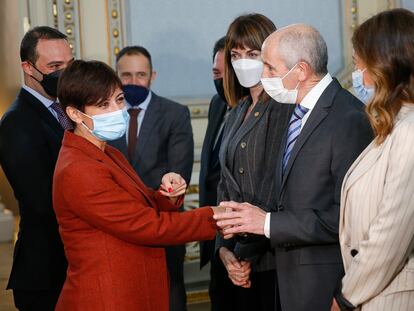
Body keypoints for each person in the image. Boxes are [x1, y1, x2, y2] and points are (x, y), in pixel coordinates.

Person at [214, 24, 373, 310]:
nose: (263, 77)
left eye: (270, 68)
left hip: (326, 283)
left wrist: (266, 223)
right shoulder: (298, 111)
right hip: (289, 281)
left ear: (300, 71)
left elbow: (350, 217)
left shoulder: (348, 118)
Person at [53, 59, 222, 311]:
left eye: (119, 100)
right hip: (107, 296)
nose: (117, 110)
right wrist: (216, 217)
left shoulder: (106, 151)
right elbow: (146, 226)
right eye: (103, 105)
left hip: (130, 287)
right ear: (75, 114)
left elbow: (136, 206)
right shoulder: (79, 168)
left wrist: (166, 195)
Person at [331, 9, 414, 311]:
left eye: (359, 65)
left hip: (391, 296)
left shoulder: (409, 132)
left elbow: (390, 232)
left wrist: (345, 296)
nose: (358, 78)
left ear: (385, 66)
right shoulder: (392, 128)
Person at [214, 13, 294, 310]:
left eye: (252, 53)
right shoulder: (237, 110)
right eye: (235, 55)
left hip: (272, 259)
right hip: (235, 254)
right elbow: (225, 185)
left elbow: (276, 189)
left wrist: (245, 254)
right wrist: (224, 250)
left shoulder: (284, 108)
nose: (243, 62)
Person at [109, 45, 193, 311]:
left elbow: (179, 174)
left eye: (141, 75)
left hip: (162, 224)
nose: (134, 82)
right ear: (116, 76)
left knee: (170, 297)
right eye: (127, 76)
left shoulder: (175, 113)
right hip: (116, 228)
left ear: (152, 76)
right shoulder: (105, 117)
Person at [0, 26, 73, 311]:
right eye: (55, 67)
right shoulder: (16, 122)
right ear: (28, 68)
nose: (63, 74)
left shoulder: (69, 109)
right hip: (46, 271)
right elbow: (41, 201)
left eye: (68, 65)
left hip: (73, 263)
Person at [198, 36, 232, 310]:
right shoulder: (216, 104)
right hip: (212, 231)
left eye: (225, 75)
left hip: (239, 238)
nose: (219, 81)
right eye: (215, 74)